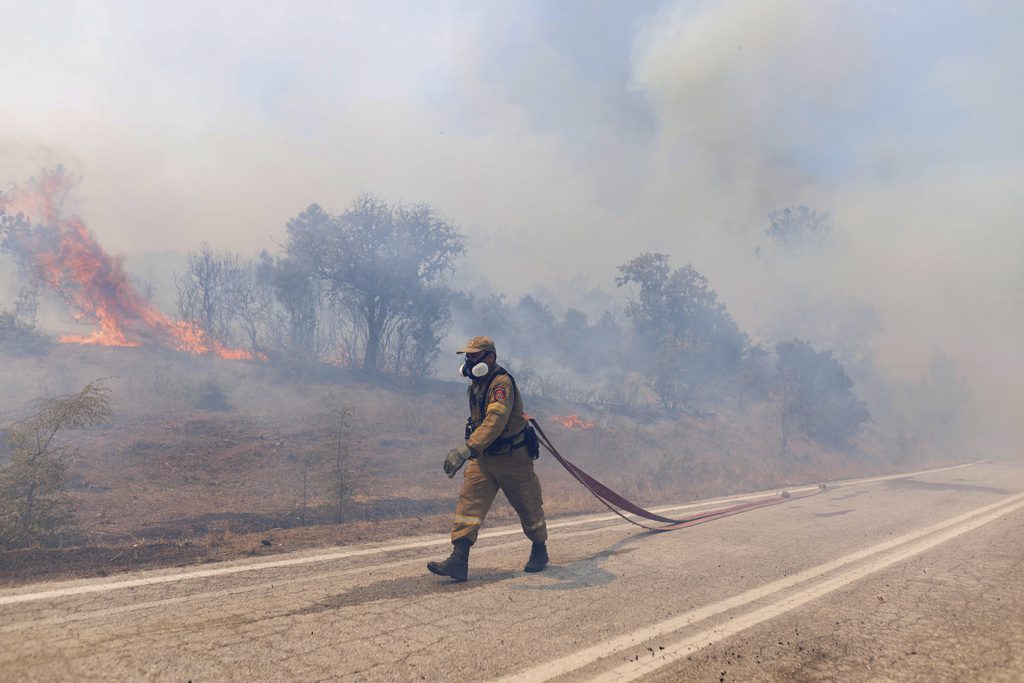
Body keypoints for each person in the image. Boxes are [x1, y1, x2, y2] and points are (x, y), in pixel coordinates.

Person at [427, 335, 548, 582]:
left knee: (529, 506)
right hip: (484, 458)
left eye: (473, 356)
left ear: (489, 358)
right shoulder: (477, 384)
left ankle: (539, 549)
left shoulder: (501, 384)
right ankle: (459, 560)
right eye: (467, 357)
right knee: (469, 504)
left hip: (512, 458)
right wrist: (474, 448)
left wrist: (467, 448)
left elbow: (495, 422)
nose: (469, 362)